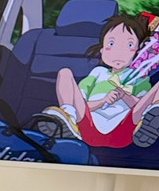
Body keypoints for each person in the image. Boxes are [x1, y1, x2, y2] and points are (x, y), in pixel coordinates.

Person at [36, 14, 159, 148]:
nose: (119, 51)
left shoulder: (140, 77)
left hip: (125, 129)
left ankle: (148, 120)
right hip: (87, 128)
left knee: (147, 102)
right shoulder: (97, 73)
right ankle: (68, 117)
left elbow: (140, 105)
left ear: (138, 52)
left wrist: (125, 96)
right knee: (65, 73)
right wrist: (103, 101)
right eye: (111, 44)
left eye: (129, 45)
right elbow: (82, 104)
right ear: (102, 50)